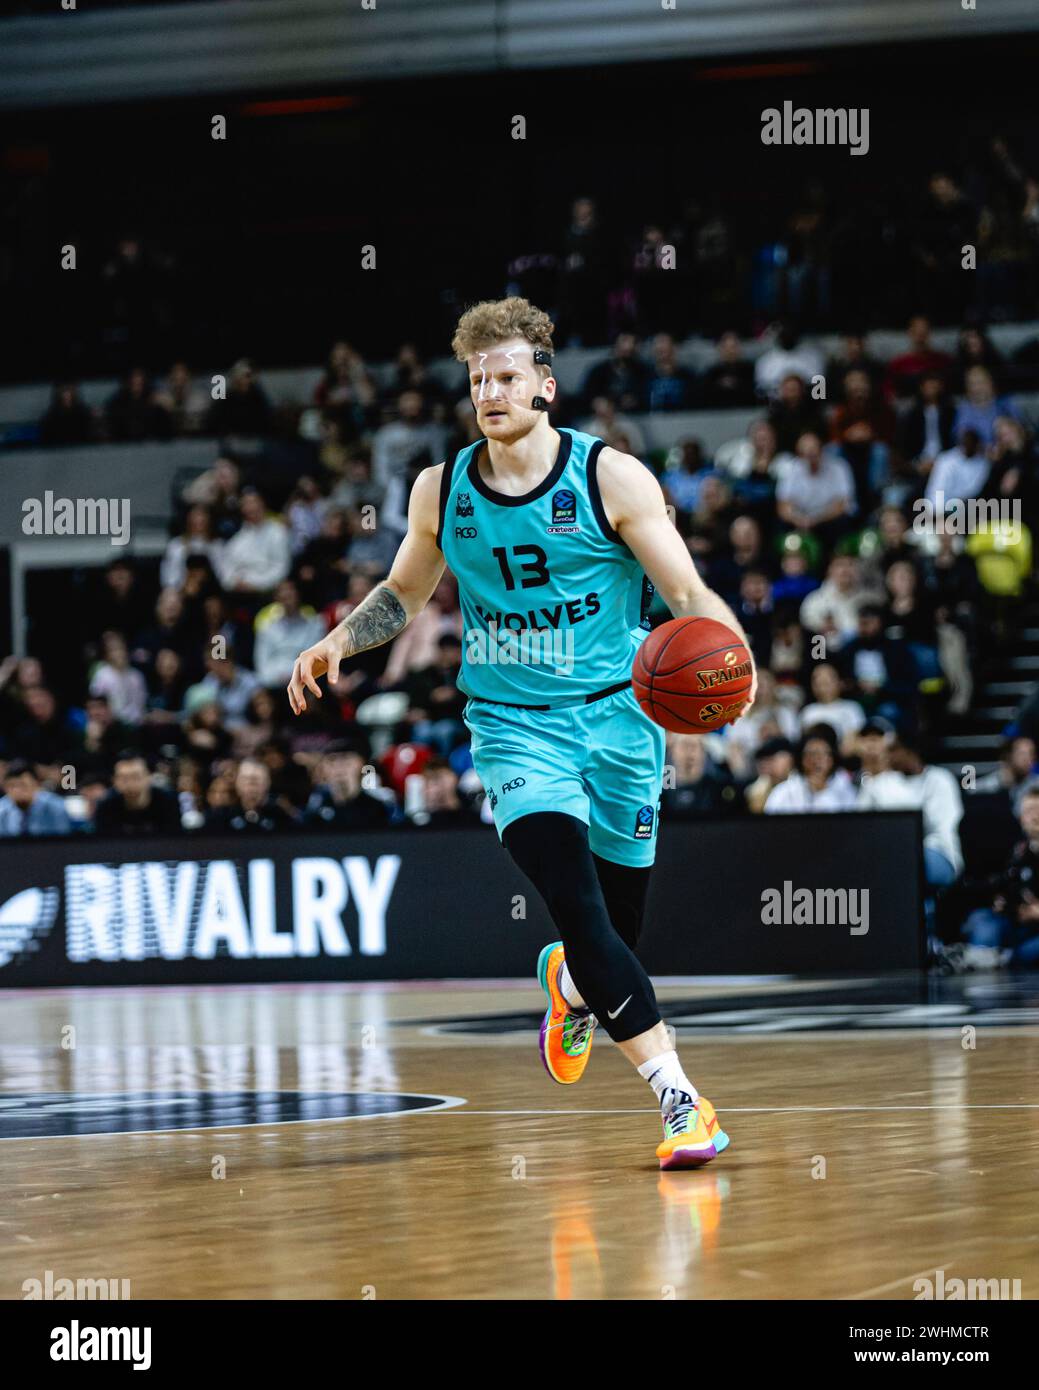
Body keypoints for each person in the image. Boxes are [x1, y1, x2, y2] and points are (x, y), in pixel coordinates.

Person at [287, 296, 758, 1171]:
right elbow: (405, 590)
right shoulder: (442, 488)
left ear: (544, 386)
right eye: (476, 380)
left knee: (614, 931)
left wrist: (737, 663)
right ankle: (680, 1101)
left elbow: (688, 597)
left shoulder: (609, 478)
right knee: (578, 908)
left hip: (621, 716)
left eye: (506, 376)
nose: (489, 391)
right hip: (512, 730)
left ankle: (570, 985)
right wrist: (338, 639)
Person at [763, 725, 857, 813]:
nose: (816, 761)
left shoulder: (844, 789)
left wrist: (822, 791)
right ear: (801, 759)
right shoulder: (783, 792)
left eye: (823, 754)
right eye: (811, 754)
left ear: (832, 759)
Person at [94, 751, 182, 836]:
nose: (130, 784)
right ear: (114, 781)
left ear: (149, 777)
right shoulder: (106, 807)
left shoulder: (168, 803)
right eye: (124, 778)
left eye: (136, 777)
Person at [0, 760, 73, 837]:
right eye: (12, 786)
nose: (17, 791)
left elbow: (63, 843)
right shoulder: (1, 809)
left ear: (37, 785)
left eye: (23, 785)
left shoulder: (56, 807)